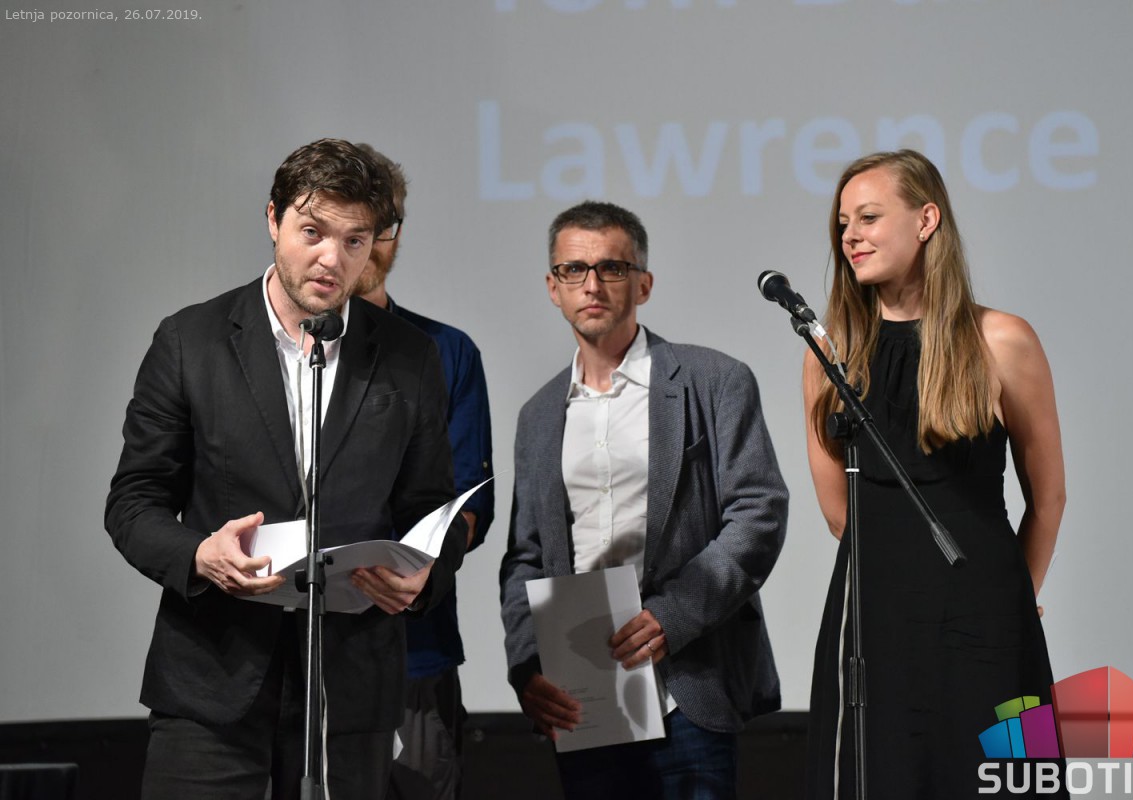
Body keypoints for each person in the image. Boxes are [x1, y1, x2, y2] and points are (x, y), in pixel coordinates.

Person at [104, 138, 469, 800]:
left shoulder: (410, 357)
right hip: (212, 680)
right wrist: (200, 556)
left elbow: (430, 507)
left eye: (355, 241)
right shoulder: (191, 341)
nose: (333, 259)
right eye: (313, 232)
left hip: (350, 688)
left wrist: (424, 577)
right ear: (273, 219)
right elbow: (134, 503)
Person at [499, 200, 789, 800]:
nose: (592, 284)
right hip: (585, 698)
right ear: (553, 288)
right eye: (573, 270)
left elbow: (758, 513)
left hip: (689, 688)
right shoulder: (538, 415)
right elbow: (525, 556)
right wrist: (527, 667)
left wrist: (672, 616)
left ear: (644, 284)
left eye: (611, 267)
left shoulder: (714, 380)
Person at [803, 150, 1067, 798]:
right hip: (874, 624)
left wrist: (1010, 598)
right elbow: (840, 514)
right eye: (843, 223)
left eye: (869, 217)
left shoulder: (1002, 340)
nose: (851, 236)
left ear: (926, 220)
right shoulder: (831, 352)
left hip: (985, 623)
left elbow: (1049, 497)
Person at [351, 143, 496, 800]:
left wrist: (424, 570)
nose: (362, 247)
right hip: (294, 656)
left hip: (416, 650)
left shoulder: (446, 353)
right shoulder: (276, 349)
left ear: (396, 232)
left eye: (377, 230)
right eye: (344, 230)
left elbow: (470, 503)